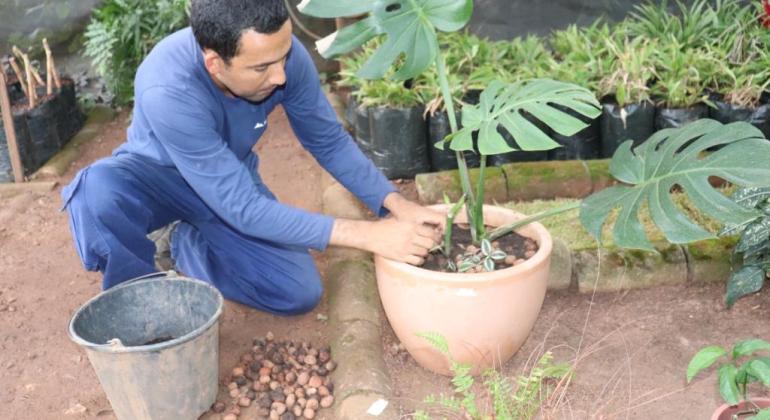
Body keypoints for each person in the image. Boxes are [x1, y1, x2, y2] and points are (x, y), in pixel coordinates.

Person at [61, 0, 445, 316]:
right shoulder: (168, 88)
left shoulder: (283, 58)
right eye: (262, 67)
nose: (280, 76)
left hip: (227, 179)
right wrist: (369, 235)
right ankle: (139, 301)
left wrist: (394, 204)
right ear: (214, 63)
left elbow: (327, 141)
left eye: (284, 55)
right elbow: (242, 208)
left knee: (298, 292)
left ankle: (184, 242)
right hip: (156, 179)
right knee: (99, 193)